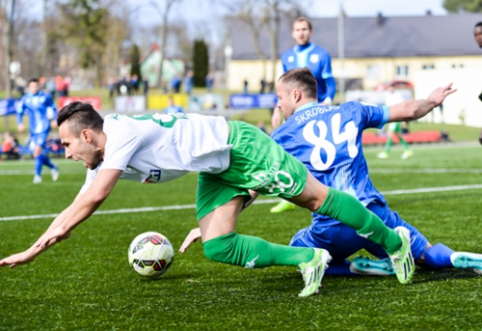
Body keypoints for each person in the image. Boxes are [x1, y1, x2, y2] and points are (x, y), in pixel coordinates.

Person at [0, 99, 416, 297]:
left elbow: (93, 199)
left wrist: (33, 250)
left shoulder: (120, 133)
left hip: (240, 146)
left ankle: (395, 244)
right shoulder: (100, 157)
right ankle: (309, 260)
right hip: (216, 168)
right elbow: (76, 205)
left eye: (68, 144)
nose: (66, 152)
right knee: (218, 244)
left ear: (88, 135)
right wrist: (39, 244)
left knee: (316, 199)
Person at [181, 68, 463, 278]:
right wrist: (431, 101)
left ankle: (353, 269)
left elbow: (251, 186)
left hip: (332, 230)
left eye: (279, 97)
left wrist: (213, 222)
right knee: (425, 255)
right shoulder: (353, 110)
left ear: (295, 94)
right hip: (375, 217)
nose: (278, 105)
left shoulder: (282, 137)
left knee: (299, 251)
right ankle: (459, 258)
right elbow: (407, 110)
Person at [270, 16, 337, 214]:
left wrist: (328, 101)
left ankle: (331, 195)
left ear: (310, 32)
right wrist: (277, 107)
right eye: (297, 29)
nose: (301, 33)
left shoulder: (321, 54)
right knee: (287, 152)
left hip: (317, 110)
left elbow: (330, 82)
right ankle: (288, 196)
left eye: (305, 29)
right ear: (293, 33)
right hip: (292, 111)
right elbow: (282, 86)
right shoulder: (287, 56)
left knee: (322, 151)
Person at [16, 78, 59, 183]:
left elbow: (54, 108)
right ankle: (53, 167)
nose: (34, 88)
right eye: (32, 86)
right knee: (36, 154)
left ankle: (37, 176)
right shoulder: (26, 98)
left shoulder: (45, 97)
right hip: (33, 130)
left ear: (39, 86)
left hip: (44, 128)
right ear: (29, 87)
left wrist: (54, 120)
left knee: (37, 151)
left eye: (36, 86)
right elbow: (19, 111)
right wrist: (20, 123)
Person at [377, 85, 413, 160]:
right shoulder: (388, 96)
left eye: (392, 87)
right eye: (389, 87)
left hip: (396, 118)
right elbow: (387, 108)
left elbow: (401, 107)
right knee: (398, 135)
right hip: (390, 117)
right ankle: (408, 150)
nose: (391, 89)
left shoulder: (398, 96)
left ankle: (386, 152)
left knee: (390, 134)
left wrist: (404, 120)